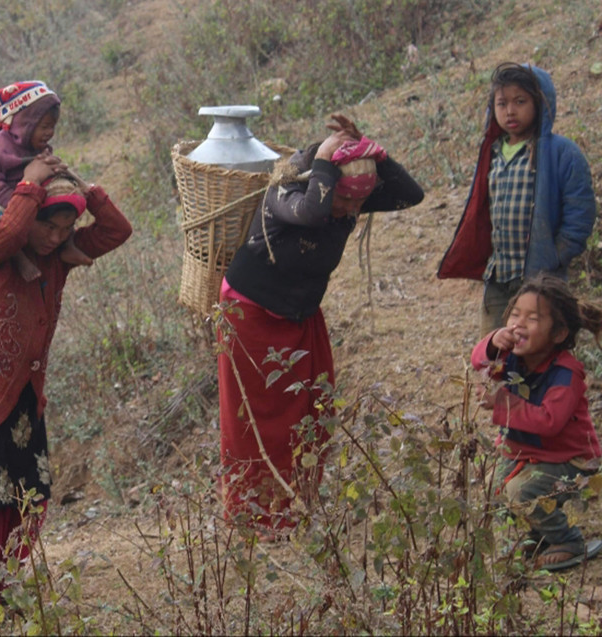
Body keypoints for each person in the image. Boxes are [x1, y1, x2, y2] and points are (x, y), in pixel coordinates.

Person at [0, 154, 132, 611]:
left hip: (20, 397)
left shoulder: (57, 258)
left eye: (64, 229)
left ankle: (4, 589)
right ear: (25, 217)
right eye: (47, 227)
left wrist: (85, 188)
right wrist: (29, 189)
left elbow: (118, 231)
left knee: (24, 500)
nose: (56, 237)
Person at [217, 113, 424, 537]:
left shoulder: (345, 197)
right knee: (254, 420)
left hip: (299, 314)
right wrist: (325, 158)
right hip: (250, 314)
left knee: (310, 409)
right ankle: (254, 516)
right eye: (345, 200)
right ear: (321, 177)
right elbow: (313, 212)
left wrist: (372, 151)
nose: (350, 210)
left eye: (357, 203)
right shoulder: (285, 194)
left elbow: (410, 194)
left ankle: (294, 506)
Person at [438, 62, 597, 336]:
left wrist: (555, 255)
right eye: (502, 103)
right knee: (494, 350)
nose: (510, 111)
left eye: (520, 101)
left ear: (540, 103)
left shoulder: (562, 154)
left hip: (542, 278)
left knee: (541, 346)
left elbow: (580, 212)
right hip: (498, 276)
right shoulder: (493, 152)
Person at [471, 274, 602, 571]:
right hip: (531, 455)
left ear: (557, 334)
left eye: (532, 318)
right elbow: (478, 363)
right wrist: (492, 342)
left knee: (520, 491)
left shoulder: (566, 373)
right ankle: (540, 533)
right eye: (515, 315)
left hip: (572, 461)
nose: (519, 324)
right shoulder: (511, 357)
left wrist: (502, 401)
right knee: (495, 490)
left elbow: (549, 422)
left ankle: (568, 540)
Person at [0, 80, 93, 281]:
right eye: (44, 127)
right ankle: (18, 257)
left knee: (61, 205)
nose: (49, 133)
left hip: (28, 197)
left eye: (52, 127)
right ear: (25, 123)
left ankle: (68, 245)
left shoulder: (37, 146)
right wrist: (15, 202)